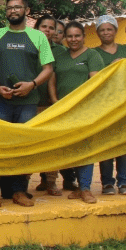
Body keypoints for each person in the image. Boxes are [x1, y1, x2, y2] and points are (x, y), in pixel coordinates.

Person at [0, 0, 54, 208]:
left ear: (27, 11)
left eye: (17, 7)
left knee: (23, 147)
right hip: (0, 100)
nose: (13, 11)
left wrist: (32, 84)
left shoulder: (38, 37)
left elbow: (48, 69)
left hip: (28, 102)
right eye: (9, 8)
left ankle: (19, 191)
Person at [48, 21, 104, 204]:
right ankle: (78, 186)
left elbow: (95, 83)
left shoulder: (92, 55)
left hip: (84, 110)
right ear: (65, 37)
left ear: (83, 36)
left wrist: (79, 104)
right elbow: (52, 80)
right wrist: (55, 101)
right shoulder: (61, 56)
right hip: (63, 110)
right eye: (69, 36)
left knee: (85, 148)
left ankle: (86, 188)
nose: (73, 39)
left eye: (77, 35)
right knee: (69, 149)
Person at [32, 15, 75, 195]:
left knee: (52, 146)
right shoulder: (28, 46)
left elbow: (58, 75)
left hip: (53, 104)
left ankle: (50, 182)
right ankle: (23, 182)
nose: (48, 31)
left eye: (52, 28)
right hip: (30, 102)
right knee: (31, 146)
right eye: (44, 27)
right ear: (37, 28)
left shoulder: (61, 51)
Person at [94, 14, 126, 195]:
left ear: (116, 31)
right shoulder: (93, 53)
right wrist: (111, 67)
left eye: (109, 29)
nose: (106, 32)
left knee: (123, 145)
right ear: (97, 33)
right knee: (105, 145)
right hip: (103, 105)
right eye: (102, 30)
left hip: (124, 103)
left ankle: (125, 182)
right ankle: (107, 183)